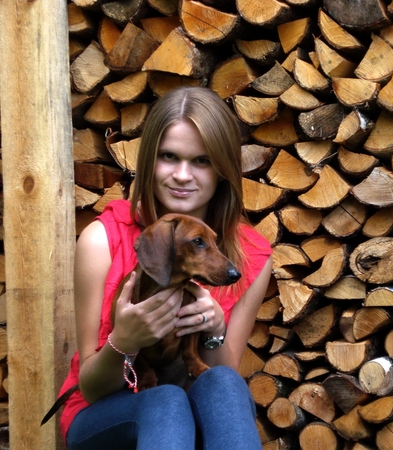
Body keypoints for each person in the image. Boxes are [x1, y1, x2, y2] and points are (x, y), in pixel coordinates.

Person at [57, 86, 273, 449]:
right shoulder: (102, 239)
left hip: (193, 404)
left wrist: (214, 328)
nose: (183, 175)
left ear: (223, 168)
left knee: (224, 384)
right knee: (167, 402)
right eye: (169, 156)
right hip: (106, 414)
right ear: (148, 161)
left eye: (202, 160)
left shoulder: (249, 255)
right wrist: (125, 341)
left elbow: (222, 382)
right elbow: (92, 388)